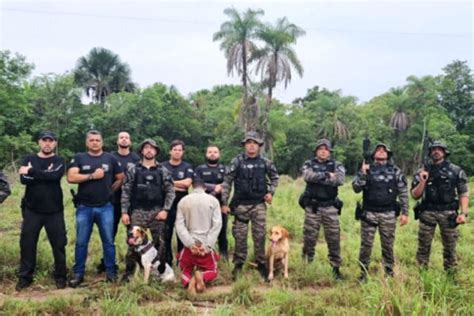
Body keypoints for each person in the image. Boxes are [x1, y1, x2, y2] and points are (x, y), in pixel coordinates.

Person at [67, 130, 124, 287]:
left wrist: (110, 190)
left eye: (97, 140)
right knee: (81, 242)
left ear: (102, 142)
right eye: (91, 140)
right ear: (87, 143)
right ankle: (79, 274)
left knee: (108, 242)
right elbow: (71, 177)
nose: (94, 142)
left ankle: (111, 273)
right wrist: (91, 176)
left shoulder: (110, 158)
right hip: (84, 207)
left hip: (105, 207)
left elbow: (121, 178)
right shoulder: (79, 158)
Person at [221, 131, 279, 280]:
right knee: (240, 237)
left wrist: (271, 192)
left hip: (259, 205)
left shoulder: (265, 162)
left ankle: (261, 264)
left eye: (254, 143)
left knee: (259, 236)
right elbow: (227, 182)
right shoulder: (237, 161)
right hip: (240, 205)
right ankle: (238, 264)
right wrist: (224, 202)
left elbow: (274, 177)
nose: (251, 145)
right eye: (249, 142)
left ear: (259, 146)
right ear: (245, 145)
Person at [16, 131, 67, 290]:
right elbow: (24, 180)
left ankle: (60, 277)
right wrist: (45, 174)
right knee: (27, 244)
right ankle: (25, 277)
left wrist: (32, 172)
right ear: (39, 142)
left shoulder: (59, 160)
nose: (47, 144)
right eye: (44, 141)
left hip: (54, 210)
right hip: (32, 210)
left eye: (50, 141)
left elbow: (55, 177)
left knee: (58, 245)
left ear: (55, 143)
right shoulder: (29, 159)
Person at [120, 139, 175, 282]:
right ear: (142, 151)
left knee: (160, 244)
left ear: (156, 151)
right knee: (133, 243)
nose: (149, 150)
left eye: (152, 148)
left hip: (157, 212)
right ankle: (129, 274)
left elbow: (170, 191)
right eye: (146, 148)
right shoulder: (133, 169)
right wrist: (124, 212)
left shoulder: (163, 170)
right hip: (138, 211)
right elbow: (126, 191)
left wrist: (165, 210)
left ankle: (160, 272)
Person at [352, 143, 409, 281]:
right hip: (369, 213)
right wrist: (364, 174)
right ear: (373, 155)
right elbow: (356, 188)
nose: (381, 152)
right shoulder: (366, 169)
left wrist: (405, 213)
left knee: (388, 244)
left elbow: (403, 192)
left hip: (388, 213)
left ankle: (389, 272)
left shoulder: (395, 171)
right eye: (378, 150)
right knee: (366, 244)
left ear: (388, 155)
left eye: (384, 150)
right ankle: (363, 272)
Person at [411, 141, 469, 273]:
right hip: (427, 212)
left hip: (448, 213)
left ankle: (450, 275)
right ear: (430, 152)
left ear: (444, 152)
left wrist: (463, 213)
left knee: (450, 247)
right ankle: (422, 274)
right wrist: (422, 181)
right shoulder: (422, 171)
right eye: (434, 149)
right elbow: (415, 195)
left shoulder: (455, 170)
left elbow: (463, 192)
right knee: (423, 248)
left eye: (439, 149)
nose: (436, 151)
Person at [300, 139, 345, 280]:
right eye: (320, 149)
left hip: (330, 207)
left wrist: (318, 177)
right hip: (313, 207)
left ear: (329, 152)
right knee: (309, 238)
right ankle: (307, 265)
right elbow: (307, 176)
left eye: (326, 149)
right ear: (316, 151)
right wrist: (326, 175)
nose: (323, 151)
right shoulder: (309, 164)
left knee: (334, 238)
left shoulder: (336, 165)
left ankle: (335, 269)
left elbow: (340, 180)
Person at [97, 131, 140, 274]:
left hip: (131, 203)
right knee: (110, 234)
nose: (124, 139)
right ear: (117, 141)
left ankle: (132, 264)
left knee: (132, 234)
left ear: (130, 141)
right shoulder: (110, 157)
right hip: (113, 201)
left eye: (127, 137)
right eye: (121, 137)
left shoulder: (136, 158)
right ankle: (107, 262)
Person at [175, 178, 222, 294]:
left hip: (189, 247)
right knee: (212, 270)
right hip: (205, 245)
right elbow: (217, 225)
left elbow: (179, 226)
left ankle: (189, 280)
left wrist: (190, 244)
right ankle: (201, 275)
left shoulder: (183, 201)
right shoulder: (213, 201)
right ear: (205, 188)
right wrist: (207, 246)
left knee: (184, 270)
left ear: (192, 187)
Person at [161, 140, 194, 265]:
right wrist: (178, 184)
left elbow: (187, 184)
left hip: (182, 206)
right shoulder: (162, 166)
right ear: (170, 151)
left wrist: (169, 183)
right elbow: (160, 185)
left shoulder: (187, 166)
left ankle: (182, 262)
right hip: (166, 206)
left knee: (182, 235)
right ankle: (167, 262)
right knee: (166, 236)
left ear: (183, 152)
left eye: (180, 150)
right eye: (175, 149)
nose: (177, 152)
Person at [194, 145, 228, 259]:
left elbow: (227, 186)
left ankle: (224, 257)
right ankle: (205, 256)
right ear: (206, 154)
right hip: (202, 205)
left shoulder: (225, 169)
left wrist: (225, 204)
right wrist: (215, 187)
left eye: (215, 152)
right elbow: (197, 184)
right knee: (203, 231)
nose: (212, 154)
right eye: (210, 152)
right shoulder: (200, 169)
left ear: (219, 154)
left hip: (220, 204)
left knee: (221, 231)